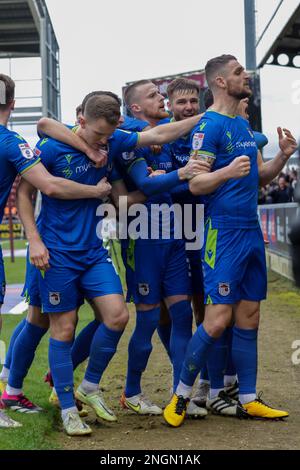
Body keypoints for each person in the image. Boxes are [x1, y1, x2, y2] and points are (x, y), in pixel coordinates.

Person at [163, 54, 297, 427]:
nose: (245, 76)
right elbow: (194, 182)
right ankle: (182, 394)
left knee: (250, 317)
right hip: (221, 233)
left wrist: (282, 157)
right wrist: (223, 172)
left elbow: (259, 177)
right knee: (218, 318)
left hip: (251, 230)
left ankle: (249, 398)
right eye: (239, 72)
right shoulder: (209, 126)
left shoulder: (243, 126)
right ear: (221, 82)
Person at [0, 73, 114, 428]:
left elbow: (45, 123)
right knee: (38, 320)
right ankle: (14, 390)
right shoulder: (14, 143)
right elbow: (42, 185)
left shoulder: (105, 141)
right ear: (13, 104)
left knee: (38, 319)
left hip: (84, 252)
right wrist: (95, 191)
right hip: (53, 250)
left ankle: (13, 389)